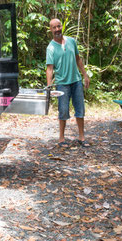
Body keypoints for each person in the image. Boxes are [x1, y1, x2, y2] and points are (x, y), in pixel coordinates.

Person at [46, 18, 90, 147]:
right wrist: (49, 86)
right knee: (63, 111)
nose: (57, 29)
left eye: (58, 26)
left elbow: (78, 59)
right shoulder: (51, 48)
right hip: (62, 84)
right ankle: (61, 139)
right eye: (54, 28)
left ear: (61, 27)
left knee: (80, 110)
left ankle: (82, 137)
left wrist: (85, 75)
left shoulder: (71, 41)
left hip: (76, 81)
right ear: (51, 30)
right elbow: (49, 69)